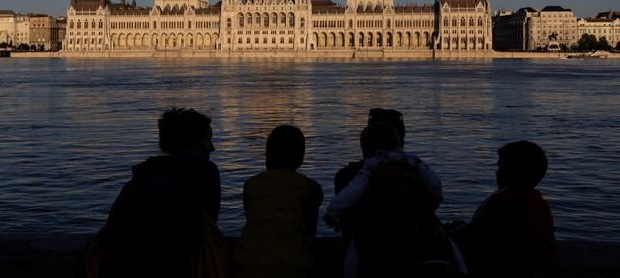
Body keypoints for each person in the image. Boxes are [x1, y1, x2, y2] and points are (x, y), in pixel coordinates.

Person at [92, 107, 224, 278]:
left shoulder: (144, 172)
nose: (212, 148)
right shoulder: (206, 171)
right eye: (208, 140)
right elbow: (208, 227)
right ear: (192, 143)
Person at [328, 109, 457, 277]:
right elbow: (435, 193)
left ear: (365, 145)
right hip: (418, 242)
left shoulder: (347, 176)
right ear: (400, 141)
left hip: (372, 249)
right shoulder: (418, 171)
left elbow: (345, 218)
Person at [451, 141, 558, 278]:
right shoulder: (538, 202)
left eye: (499, 166)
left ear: (509, 170)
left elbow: (472, 236)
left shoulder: (501, 201)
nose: (496, 171)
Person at [233, 125, 324, 278]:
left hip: (246, 264)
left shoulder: (251, 184)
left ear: (268, 155)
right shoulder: (310, 187)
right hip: (294, 265)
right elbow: (309, 232)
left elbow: (253, 219)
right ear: (301, 158)